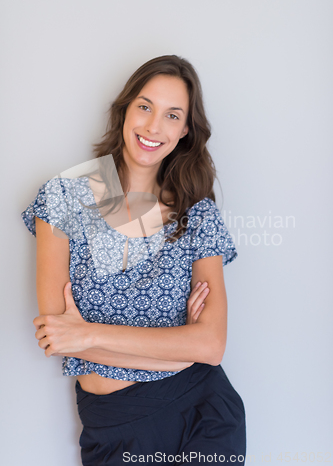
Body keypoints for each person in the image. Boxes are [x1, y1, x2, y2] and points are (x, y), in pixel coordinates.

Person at [21, 54, 246, 465]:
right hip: (112, 424)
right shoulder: (63, 197)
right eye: (145, 106)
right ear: (124, 109)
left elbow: (212, 347)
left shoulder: (198, 215)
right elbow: (57, 337)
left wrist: (88, 335)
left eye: (172, 115)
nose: (153, 126)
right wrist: (179, 348)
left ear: (185, 131)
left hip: (203, 413)